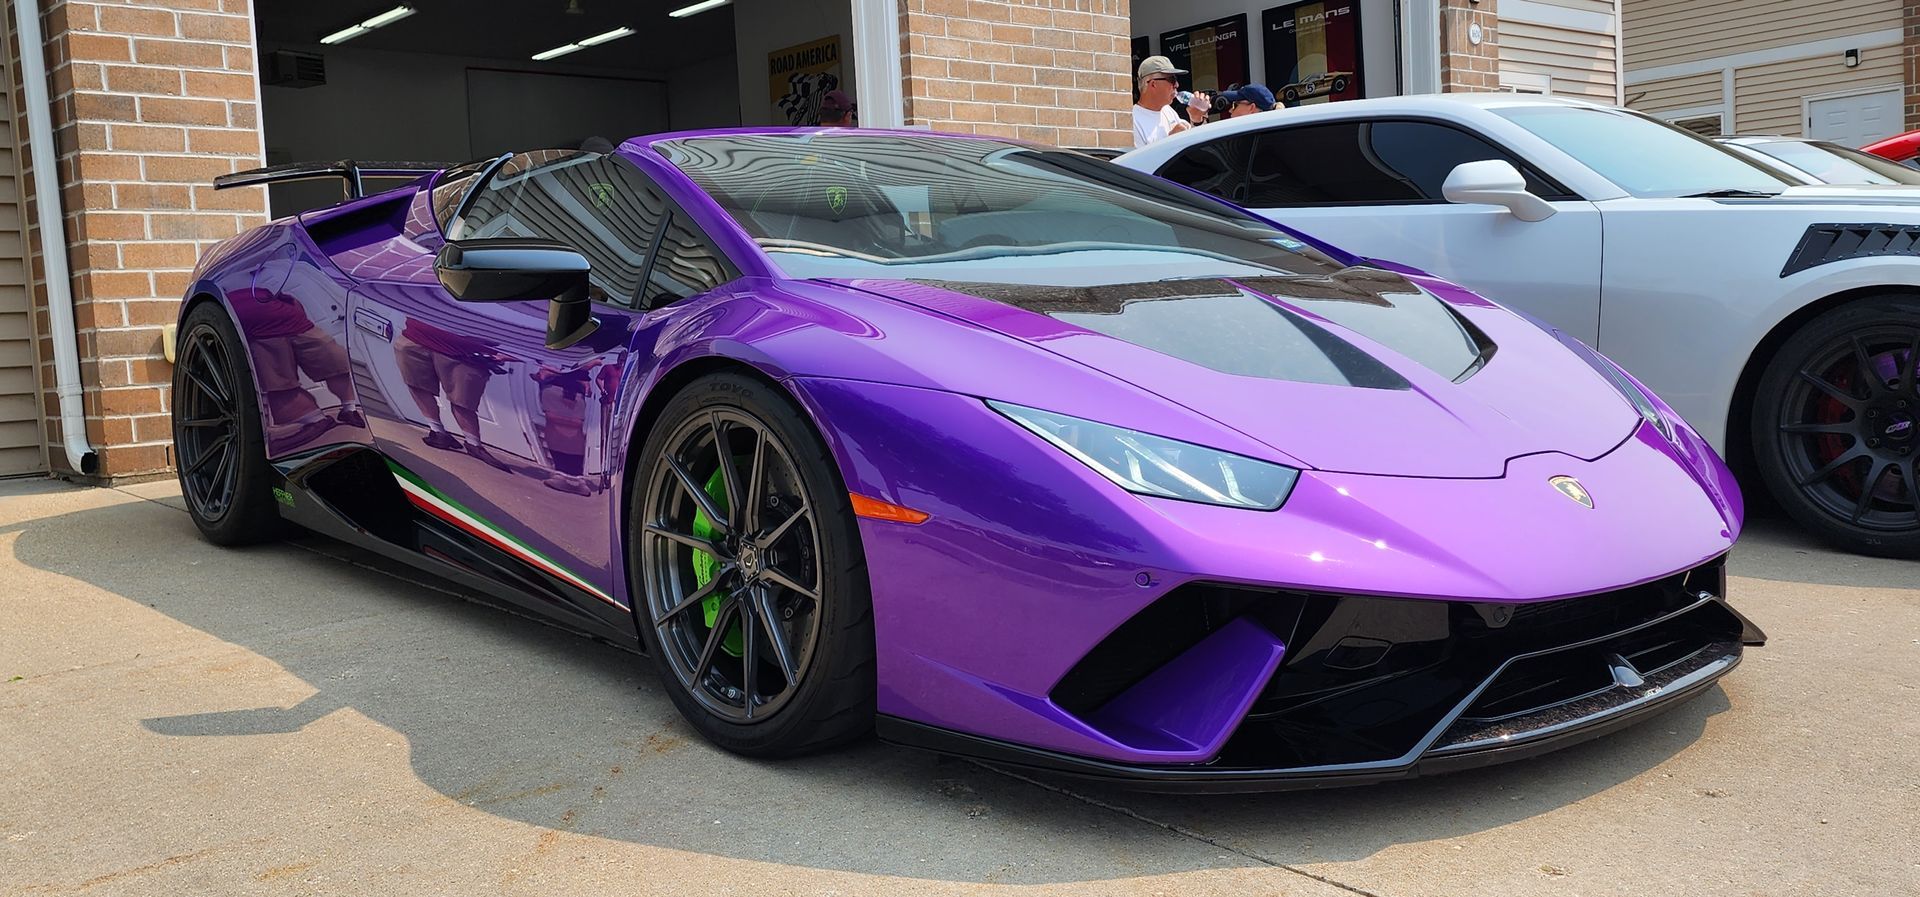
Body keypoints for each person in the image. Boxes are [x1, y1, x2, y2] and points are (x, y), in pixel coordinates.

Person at [1132, 56, 1190, 148]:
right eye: (1172, 80)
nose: (1177, 85)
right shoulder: (1133, 120)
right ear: (1153, 84)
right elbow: (1139, 161)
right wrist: (1170, 142)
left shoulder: (1167, 110)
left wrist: (1197, 118)